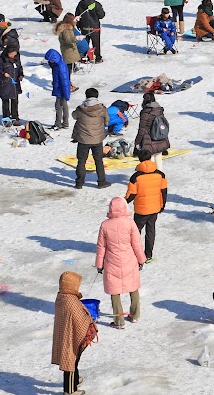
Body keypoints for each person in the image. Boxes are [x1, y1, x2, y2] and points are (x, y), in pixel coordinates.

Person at [95, 196, 146, 329]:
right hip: (129, 260)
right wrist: (141, 259)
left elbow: (101, 247)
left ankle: (119, 321)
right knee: (133, 287)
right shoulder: (130, 223)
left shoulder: (105, 225)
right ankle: (134, 315)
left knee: (114, 291)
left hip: (111, 262)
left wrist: (99, 265)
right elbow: (137, 244)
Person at [52, 271, 97, 395]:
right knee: (70, 362)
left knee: (74, 360)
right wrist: (90, 320)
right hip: (70, 337)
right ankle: (70, 390)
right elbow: (79, 319)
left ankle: (75, 380)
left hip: (65, 333)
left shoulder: (61, 296)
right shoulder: (71, 301)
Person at [124, 157, 167, 262]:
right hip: (155, 208)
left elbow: (131, 195)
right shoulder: (160, 175)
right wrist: (162, 205)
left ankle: (134, 253)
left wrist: (123, 202)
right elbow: (164, 192)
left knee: (135, 232)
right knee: (150, 230)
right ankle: (148, 255)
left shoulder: (136, 177)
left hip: (141, 210)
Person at [71, 89, 109, 189]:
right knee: (98, 161)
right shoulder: (102, 109)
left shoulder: (80, 109)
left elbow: (74, 116)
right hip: (97, 140)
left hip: (83, 140)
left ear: (86, 96)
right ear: (97, 96)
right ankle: (101, 182)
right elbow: (107, 120)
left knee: (81, 161)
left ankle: (79, 183)